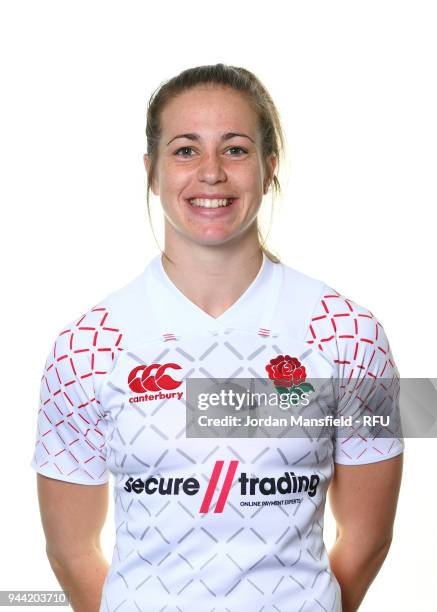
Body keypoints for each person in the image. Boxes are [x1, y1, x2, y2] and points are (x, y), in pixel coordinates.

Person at [30, 64, 403, 612]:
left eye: (234, 149)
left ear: (268, 167)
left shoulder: (349, 333)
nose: (210, 173)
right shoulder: (87, 344)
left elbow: (369, 540)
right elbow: (70, 552)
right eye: (184, 150)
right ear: (151, 171)